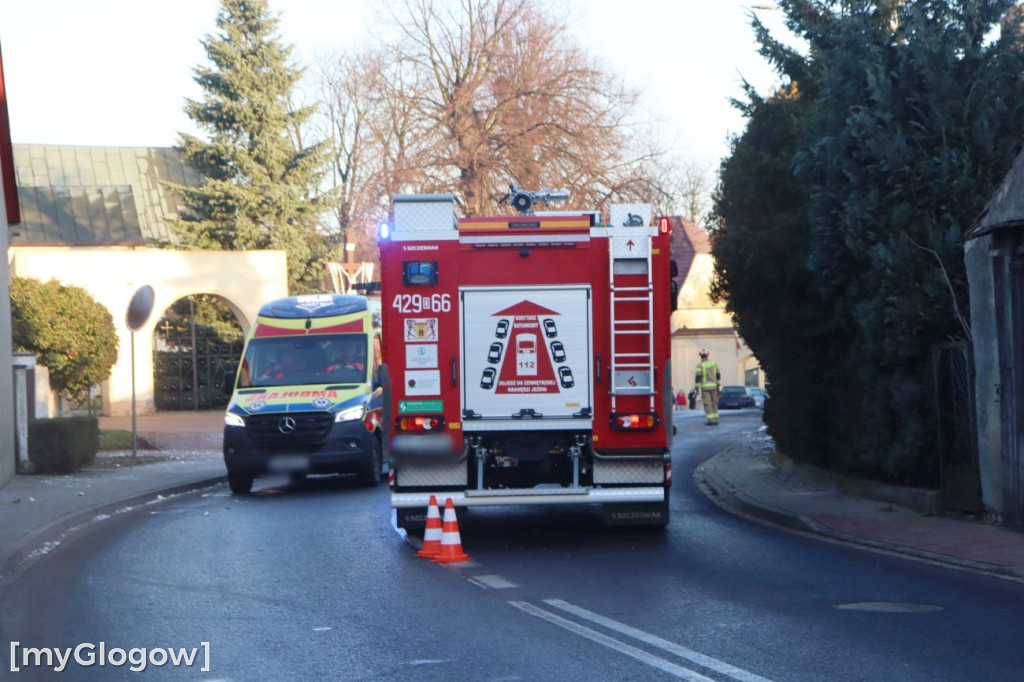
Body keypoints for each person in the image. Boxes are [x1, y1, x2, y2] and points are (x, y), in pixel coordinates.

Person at [694, 348, 721, 425]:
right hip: (714, 387)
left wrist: (696, 388)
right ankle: (715, 419)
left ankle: (711, 421)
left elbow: (698, 377)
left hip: (705, 388)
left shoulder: (700, 366)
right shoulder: (714, 364)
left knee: (707, 404)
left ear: (700, 356)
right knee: (714, 403)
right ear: (708, 355)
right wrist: (718, 386)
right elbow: (718, 375)